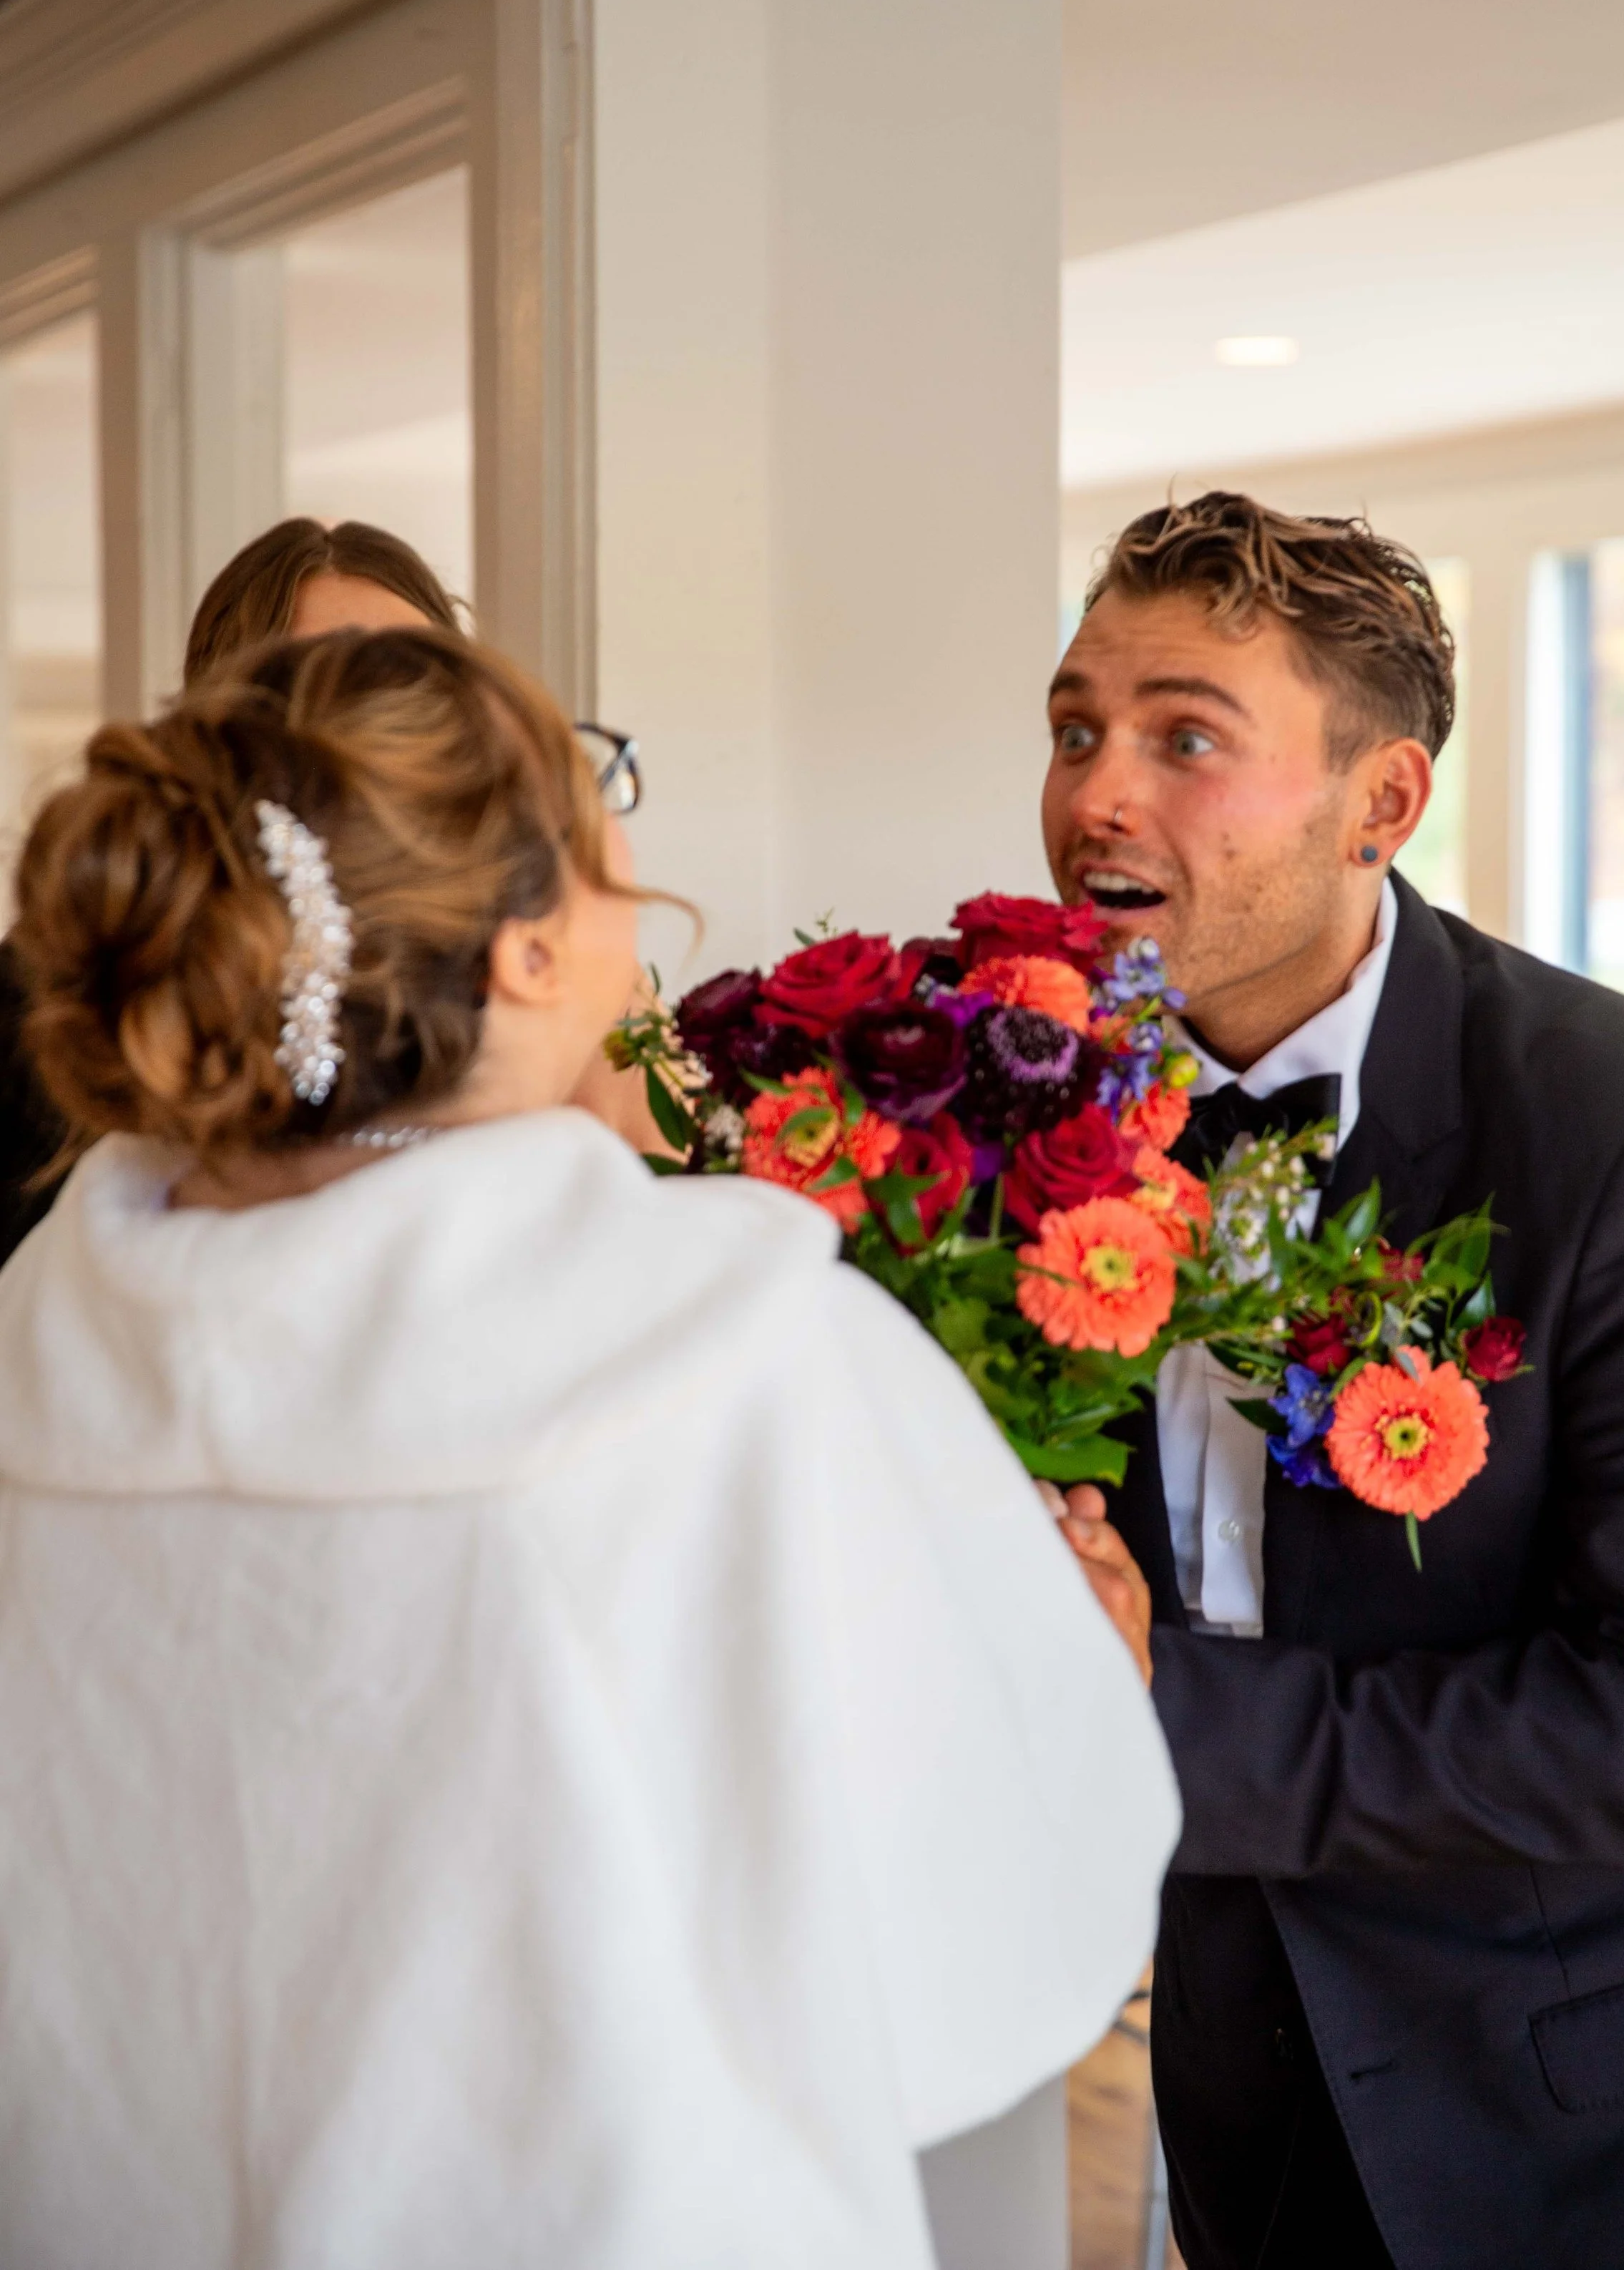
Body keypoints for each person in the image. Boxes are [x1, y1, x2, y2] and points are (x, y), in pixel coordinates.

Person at [0, 625, 1178, 2269]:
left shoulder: (40, 1354)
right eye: (598, 788)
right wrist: (1085, 1676)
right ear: (530, 951)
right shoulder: (731, 1349)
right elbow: (980, 1947)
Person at [1040, 492, 1624, 2270]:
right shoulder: (1027, 1097)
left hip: (1588, 2114)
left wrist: (1152, 1709)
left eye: (1184, 737)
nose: (1095, 796)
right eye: (1077, 724)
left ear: (1383, 801)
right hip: (1226, 2078)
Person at [0, 515, 463, 1262]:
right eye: (334, 680)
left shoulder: (502, 960)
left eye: (417, 680)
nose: (383, 724)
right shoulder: (78, 975)